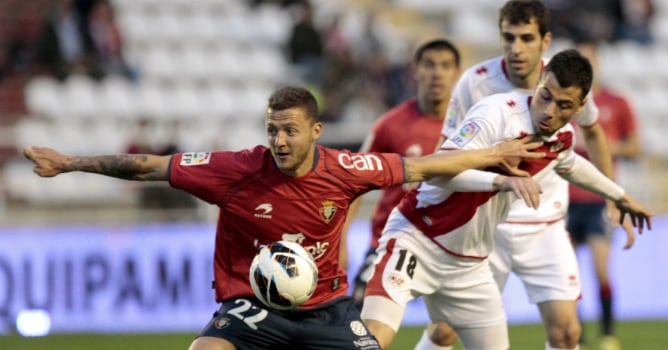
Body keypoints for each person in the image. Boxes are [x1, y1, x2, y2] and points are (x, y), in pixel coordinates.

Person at [24, 86, 545, 350]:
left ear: (315, 130)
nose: (278, 140)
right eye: (273, 129)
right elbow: (147, 168)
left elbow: (425, 165)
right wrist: (70, 162)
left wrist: (491, 154)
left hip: (327, 310)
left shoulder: (346, 168)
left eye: (290, 130)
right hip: (252, 308)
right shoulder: (235, 170)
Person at [360, 49, 654, 350]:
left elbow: (570, 164)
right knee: (373, 342)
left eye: (563, 105)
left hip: (469, 263)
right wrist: (500, 180)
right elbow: (438, 171)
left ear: (579, 108)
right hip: (418, 238)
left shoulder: (561, 138)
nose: (550, 111)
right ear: (539, 82)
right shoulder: (496, 113)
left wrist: (619, 196)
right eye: (545, 96)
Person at [418, 1, 633, 349]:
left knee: (566, 334)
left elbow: (592, 131)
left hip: (544, 224)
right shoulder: (475, 81)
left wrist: (613, 195)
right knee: (445, 330)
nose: (517, 48)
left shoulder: (566, 81)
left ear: (545, 40)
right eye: (509, 37)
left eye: (527, 38)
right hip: (487, 228)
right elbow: (447, 148)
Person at [344, 38, 462, 305]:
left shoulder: (468, 125)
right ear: (416, 70)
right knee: (360, 326)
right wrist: (341, 240)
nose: (437, 73)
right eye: (429, 65)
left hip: (446, 246)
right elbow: (354, 182)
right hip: (389, 241)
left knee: (444, 332)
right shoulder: (390, 125)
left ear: (456, 72)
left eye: (445, 66)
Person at [568, 40, 642, 350]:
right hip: (566, 200)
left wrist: (603, 145)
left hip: (599, 199)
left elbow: (635, 147)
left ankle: (608, 333)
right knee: (568, 275)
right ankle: (577, 337)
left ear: (597, 63)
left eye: (590, 59)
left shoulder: (616, 101)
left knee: (600, 270)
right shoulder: (564, 102)